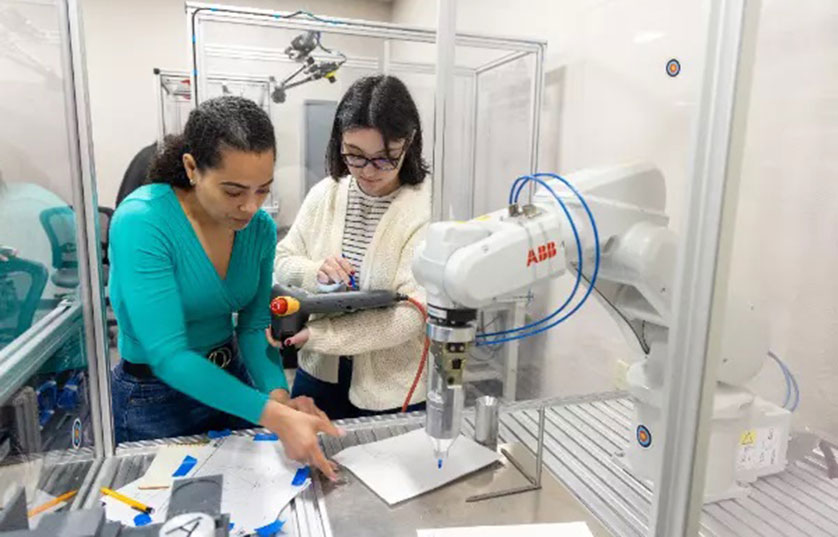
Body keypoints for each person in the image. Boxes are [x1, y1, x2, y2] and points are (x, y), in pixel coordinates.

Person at [108, 96, 339, 479]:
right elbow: (168, 355)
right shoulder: (144, 222)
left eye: (262, 190)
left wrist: (278, 396)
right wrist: (275, 416)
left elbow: (251, 326)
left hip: (233, 381)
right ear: (192, 168)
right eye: (234, 191)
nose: (250, 207)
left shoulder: (259, 230)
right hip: (155, 398)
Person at [271, 75, 431, 419]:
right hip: (318, 377)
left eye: (385, 158)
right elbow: (282, 260)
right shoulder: (326, 194)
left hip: (389, 389)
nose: (368, 171)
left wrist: (318, 334)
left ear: (410, 142)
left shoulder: (424, 209)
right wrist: (316, 273)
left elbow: (410, 317)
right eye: (355, 156)